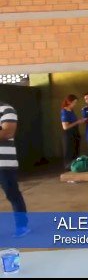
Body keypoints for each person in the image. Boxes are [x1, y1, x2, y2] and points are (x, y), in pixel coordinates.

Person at [0, 101, 30, 237]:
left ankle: (22, 226)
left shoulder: (6, 109)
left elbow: (7, 132)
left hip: (4, 163)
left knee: (12, 194)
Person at [61, 94, 86, 170]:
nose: (75, 104)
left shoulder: (71, 110)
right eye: (74, 102)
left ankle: (75, 169)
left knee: (76, 153)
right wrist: (78, 122)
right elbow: (65, 127)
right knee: (69, 154)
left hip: (75, 133)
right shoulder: (64, 111)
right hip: (69, 135)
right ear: (69, 102)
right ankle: (69, 170)